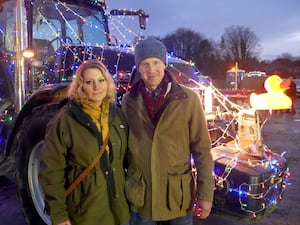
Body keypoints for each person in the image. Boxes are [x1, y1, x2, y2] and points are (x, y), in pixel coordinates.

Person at [122, 38, 215, 225]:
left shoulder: (188, 99)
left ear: (164, 64)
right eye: (145, 64)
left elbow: (202, 150)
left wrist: (205, 195)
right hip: (141, 196)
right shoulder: (128, 101)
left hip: (177, 197)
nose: (151, 70)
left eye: (156, 63)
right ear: (139, 68)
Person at [39, 59, 130, 225]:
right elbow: (51, 171)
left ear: (108, 83)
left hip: (119, 213)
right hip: (86, 214)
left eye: (101, 80)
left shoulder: (117, 115)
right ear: (81, 86)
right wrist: (59, 215)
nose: (97, 87)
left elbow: (128, 160)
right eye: (89, 82)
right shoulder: (65, 120)